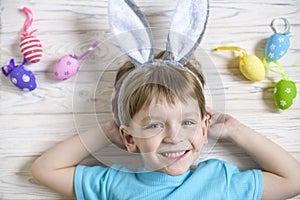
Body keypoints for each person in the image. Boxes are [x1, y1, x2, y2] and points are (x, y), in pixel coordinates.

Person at [31, 51, 300, 199]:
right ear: (129, 139)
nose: (174, 136)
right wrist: (110, 131)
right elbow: (44, 169)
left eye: (188, 122)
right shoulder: (116, 184)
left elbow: (294, 181)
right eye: (154, 126)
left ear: (204, 129)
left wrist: (233, 129)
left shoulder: (220, 182)